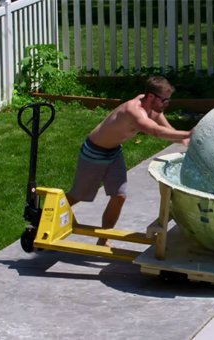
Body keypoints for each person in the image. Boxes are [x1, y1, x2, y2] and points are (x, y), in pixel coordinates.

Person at [66, 75, 192, 247]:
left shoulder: (154, 109)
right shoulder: (134, 111)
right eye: (164, 100)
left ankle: (102, 241)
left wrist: (187, 141)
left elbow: (168, 131)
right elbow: (155, 131)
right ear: (151, 97)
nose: (166, 104)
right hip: (94, 152)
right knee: (78, 195)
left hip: (114, 152)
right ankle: (44, 218)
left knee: (119, 196)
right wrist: (187, 133)